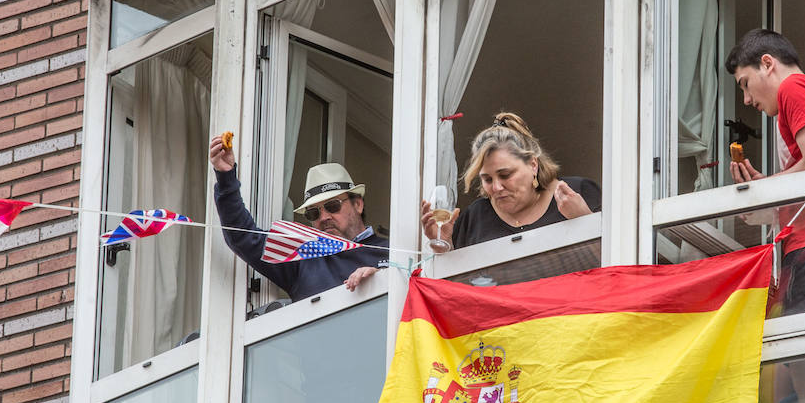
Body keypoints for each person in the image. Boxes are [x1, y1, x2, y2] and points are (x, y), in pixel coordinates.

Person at [725, 28, 805, 314]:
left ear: (767, 64)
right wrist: (770, 186)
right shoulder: (801, 90)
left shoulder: (794, 87)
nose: (747, 100)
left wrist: (767, 189)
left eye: (745, 84)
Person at [210, 137, 384, 301]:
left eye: (333, 206)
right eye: (313, 213)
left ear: (358, 205)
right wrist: (226, 178)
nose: (324, 217)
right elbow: (243, 237)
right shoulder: (304, 257)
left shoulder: (393, 250)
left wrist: (382, 280)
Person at [421, 112, 600, 250]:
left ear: (533, 165)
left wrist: (585, 222)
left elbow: (617, 267)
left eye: (506, 175)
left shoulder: (577, 192)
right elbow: (458, 290)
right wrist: (445, 247)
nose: (497, 187)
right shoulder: (474, 218)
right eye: (487, 179)